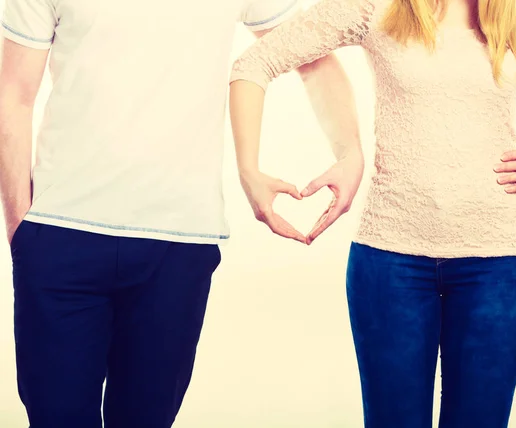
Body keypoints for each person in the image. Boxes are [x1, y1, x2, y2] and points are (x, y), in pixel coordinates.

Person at [228, 0, 516, 426]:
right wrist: (249, 171)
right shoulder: (377, 7)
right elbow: (255, 64)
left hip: (499, 265)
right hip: (390, 262)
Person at [0, 0, 362, 426]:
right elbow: (13, 99)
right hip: (60, 237)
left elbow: (312, 56)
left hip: (179, 243)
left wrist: (350, 152)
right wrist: (22, 232)